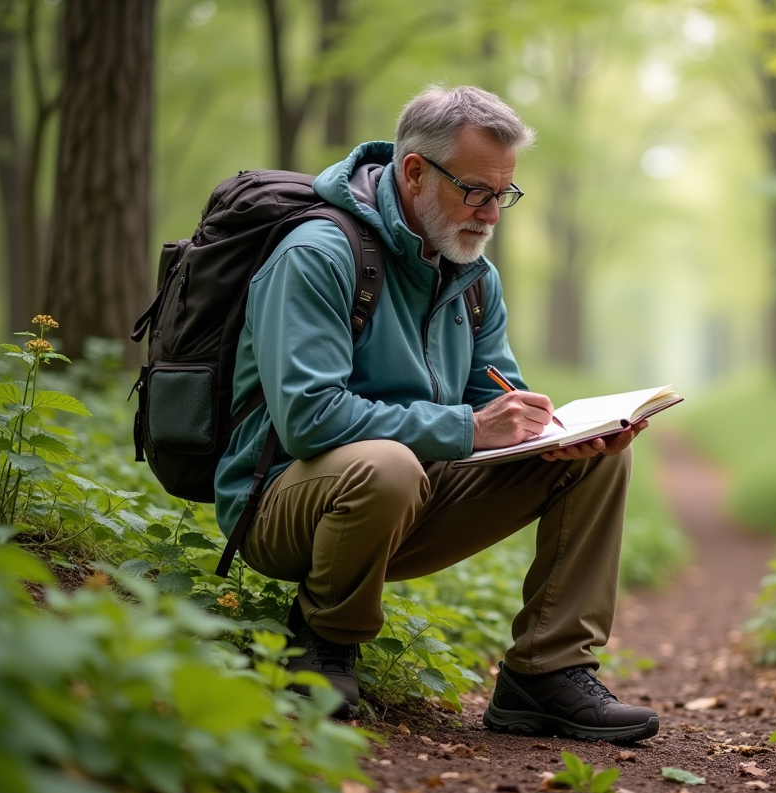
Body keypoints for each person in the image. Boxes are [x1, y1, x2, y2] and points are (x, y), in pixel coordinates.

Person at [214, 85, 659, 742]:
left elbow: (491, 404)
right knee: (387, 465)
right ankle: (321, 645)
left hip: (409, 495)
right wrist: (466, 429)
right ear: (415, 170)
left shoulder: (474, 278)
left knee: (593, 468)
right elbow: (307, 417)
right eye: (475, 191)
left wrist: (561, 438)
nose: (491, 214)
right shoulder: (318, 253)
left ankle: (544, 674)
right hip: (284, 502)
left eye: (503, 194)